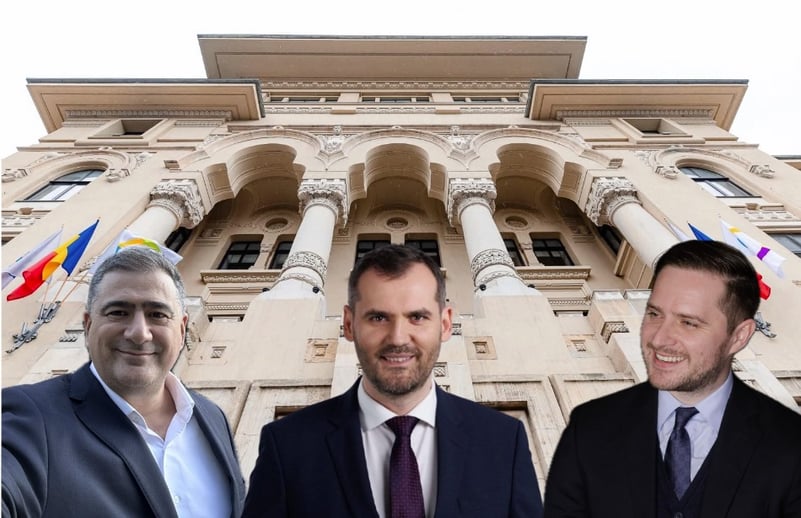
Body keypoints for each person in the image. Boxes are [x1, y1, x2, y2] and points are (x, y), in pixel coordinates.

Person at [243, 244, 543, 517]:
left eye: (417, 317)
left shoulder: (503, 441)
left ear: (445, 324)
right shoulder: (287, 445)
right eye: (378, 318)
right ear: (349, 324)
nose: (398, 339)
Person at [543, 240, 801, 518]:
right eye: (654, 314)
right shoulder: (589, 429)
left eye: (689, 322)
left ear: (738, 336)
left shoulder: (788, 440)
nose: (659, 339)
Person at [2, 246, 246, 518]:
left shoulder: (212, 418)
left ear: (181, 328)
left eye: (157, 314)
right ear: (88, 325)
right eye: (118, 312)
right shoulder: (32, 415)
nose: (139, 334)